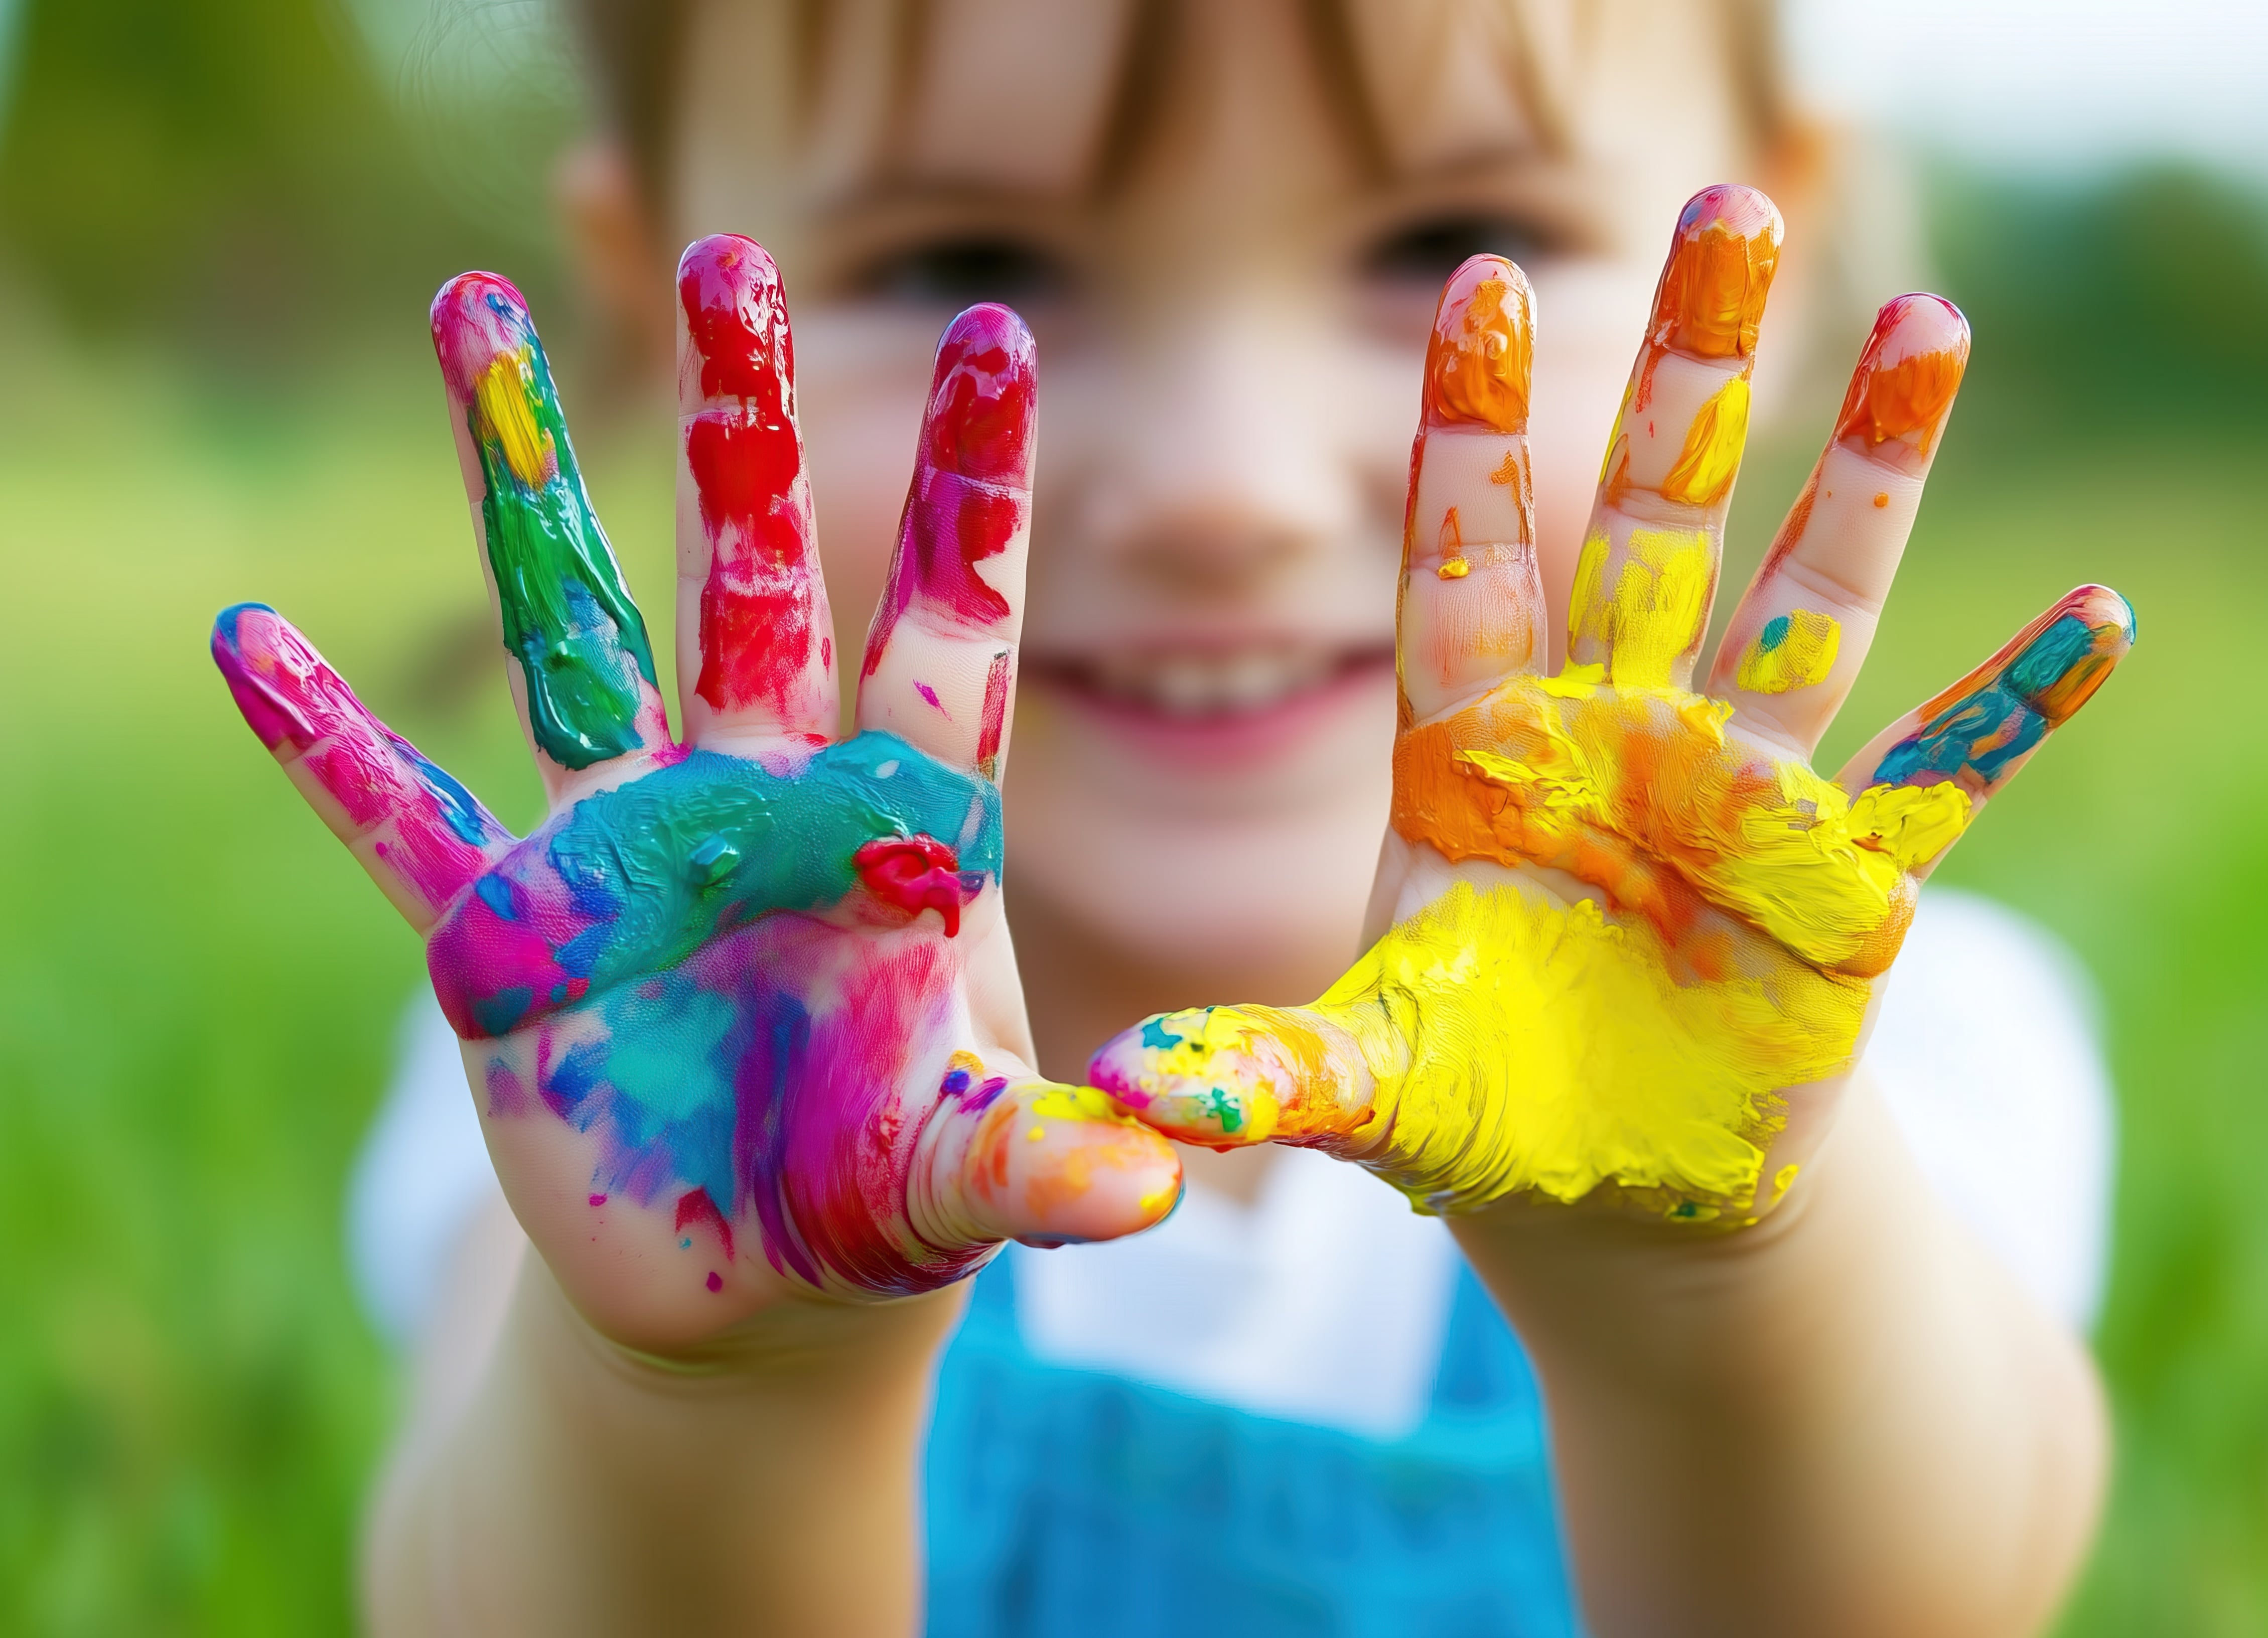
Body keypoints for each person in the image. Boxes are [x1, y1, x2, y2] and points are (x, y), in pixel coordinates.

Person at [269, 2, 2124, 1631]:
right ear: (640, 282)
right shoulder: (616, 1072)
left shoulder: (1891, 1045)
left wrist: (1730, 1272)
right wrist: (717, 1389)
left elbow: (1935, 1586)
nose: (1218, 485)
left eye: (1459, 239)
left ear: (1772, 262)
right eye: (966, 258)